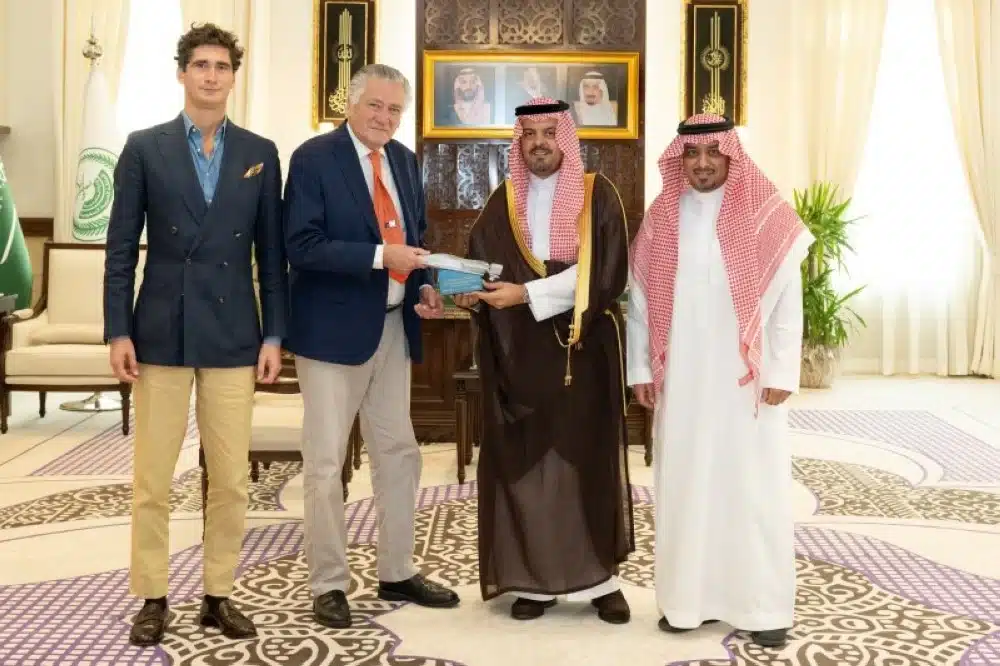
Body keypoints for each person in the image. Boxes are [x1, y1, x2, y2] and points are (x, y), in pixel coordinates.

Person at [103, 23, 286, 646]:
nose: (211, 75)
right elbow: (121, 249)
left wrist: (274, 335)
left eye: (222, 66)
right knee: (153, 477)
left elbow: (272, 254)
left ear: (234, 77)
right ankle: (153, 595)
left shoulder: (260, 151)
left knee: (230, 478)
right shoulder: (143, 148)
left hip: (235, 333)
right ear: (182, 73)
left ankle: (218, 594)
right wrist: (117, 331)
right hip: (160, 331)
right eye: (201, 65)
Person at [282, 63, 460, 629]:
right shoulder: (314, 158)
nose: (385, 118)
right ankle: (329, 583)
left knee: (399, 453)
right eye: (375, 106)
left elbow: (416, 239)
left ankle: (397, 570)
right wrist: (383, 257)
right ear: (351, 105)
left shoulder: (404, 160)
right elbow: (301, 245)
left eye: (394, 109)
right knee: (326, 461)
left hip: (392, 327)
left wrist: (424, 284)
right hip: (331, 333)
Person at [627, 113, 813, 648]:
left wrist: (782, 369)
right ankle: (688, 602)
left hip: (745, 381)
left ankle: (763, 606)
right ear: (679, 159)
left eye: (713, 152)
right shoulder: (663, 217)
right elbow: (640, 302)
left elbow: (788, 301)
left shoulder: (764, 213)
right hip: (682, 379)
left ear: (732, 155)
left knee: (752, 489)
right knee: (685, 487)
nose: (703, 163)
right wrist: (641, 368)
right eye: (692, 154)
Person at [453, 97, 634, 623]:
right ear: (519, 142)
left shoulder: (598, 194)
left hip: (585, 351)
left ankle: (602, 580)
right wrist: (463, 290)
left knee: (588, 459)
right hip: (522, 355)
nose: (538, 143)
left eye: (549, 133)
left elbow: (605, 271)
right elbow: (483, 264)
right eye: (529, 134)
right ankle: (534, 580)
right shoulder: (504, 199)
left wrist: (526, 294)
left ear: (566, 139)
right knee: (530, 462)